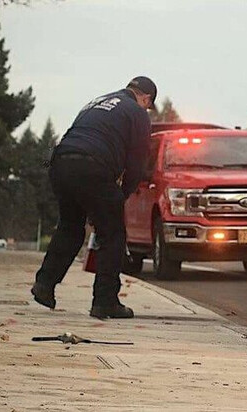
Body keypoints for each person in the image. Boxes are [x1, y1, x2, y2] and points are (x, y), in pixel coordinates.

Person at [31, 76, 156, 319]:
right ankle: (105, 301)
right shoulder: (138, 113)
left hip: (61, 164)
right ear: (146, 98)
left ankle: (44, 285)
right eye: (148, 106)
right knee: (112, 233)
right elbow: (137, 162)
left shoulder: (96, 102)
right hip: (94, 167)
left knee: (70, 227)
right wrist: (121, 195)